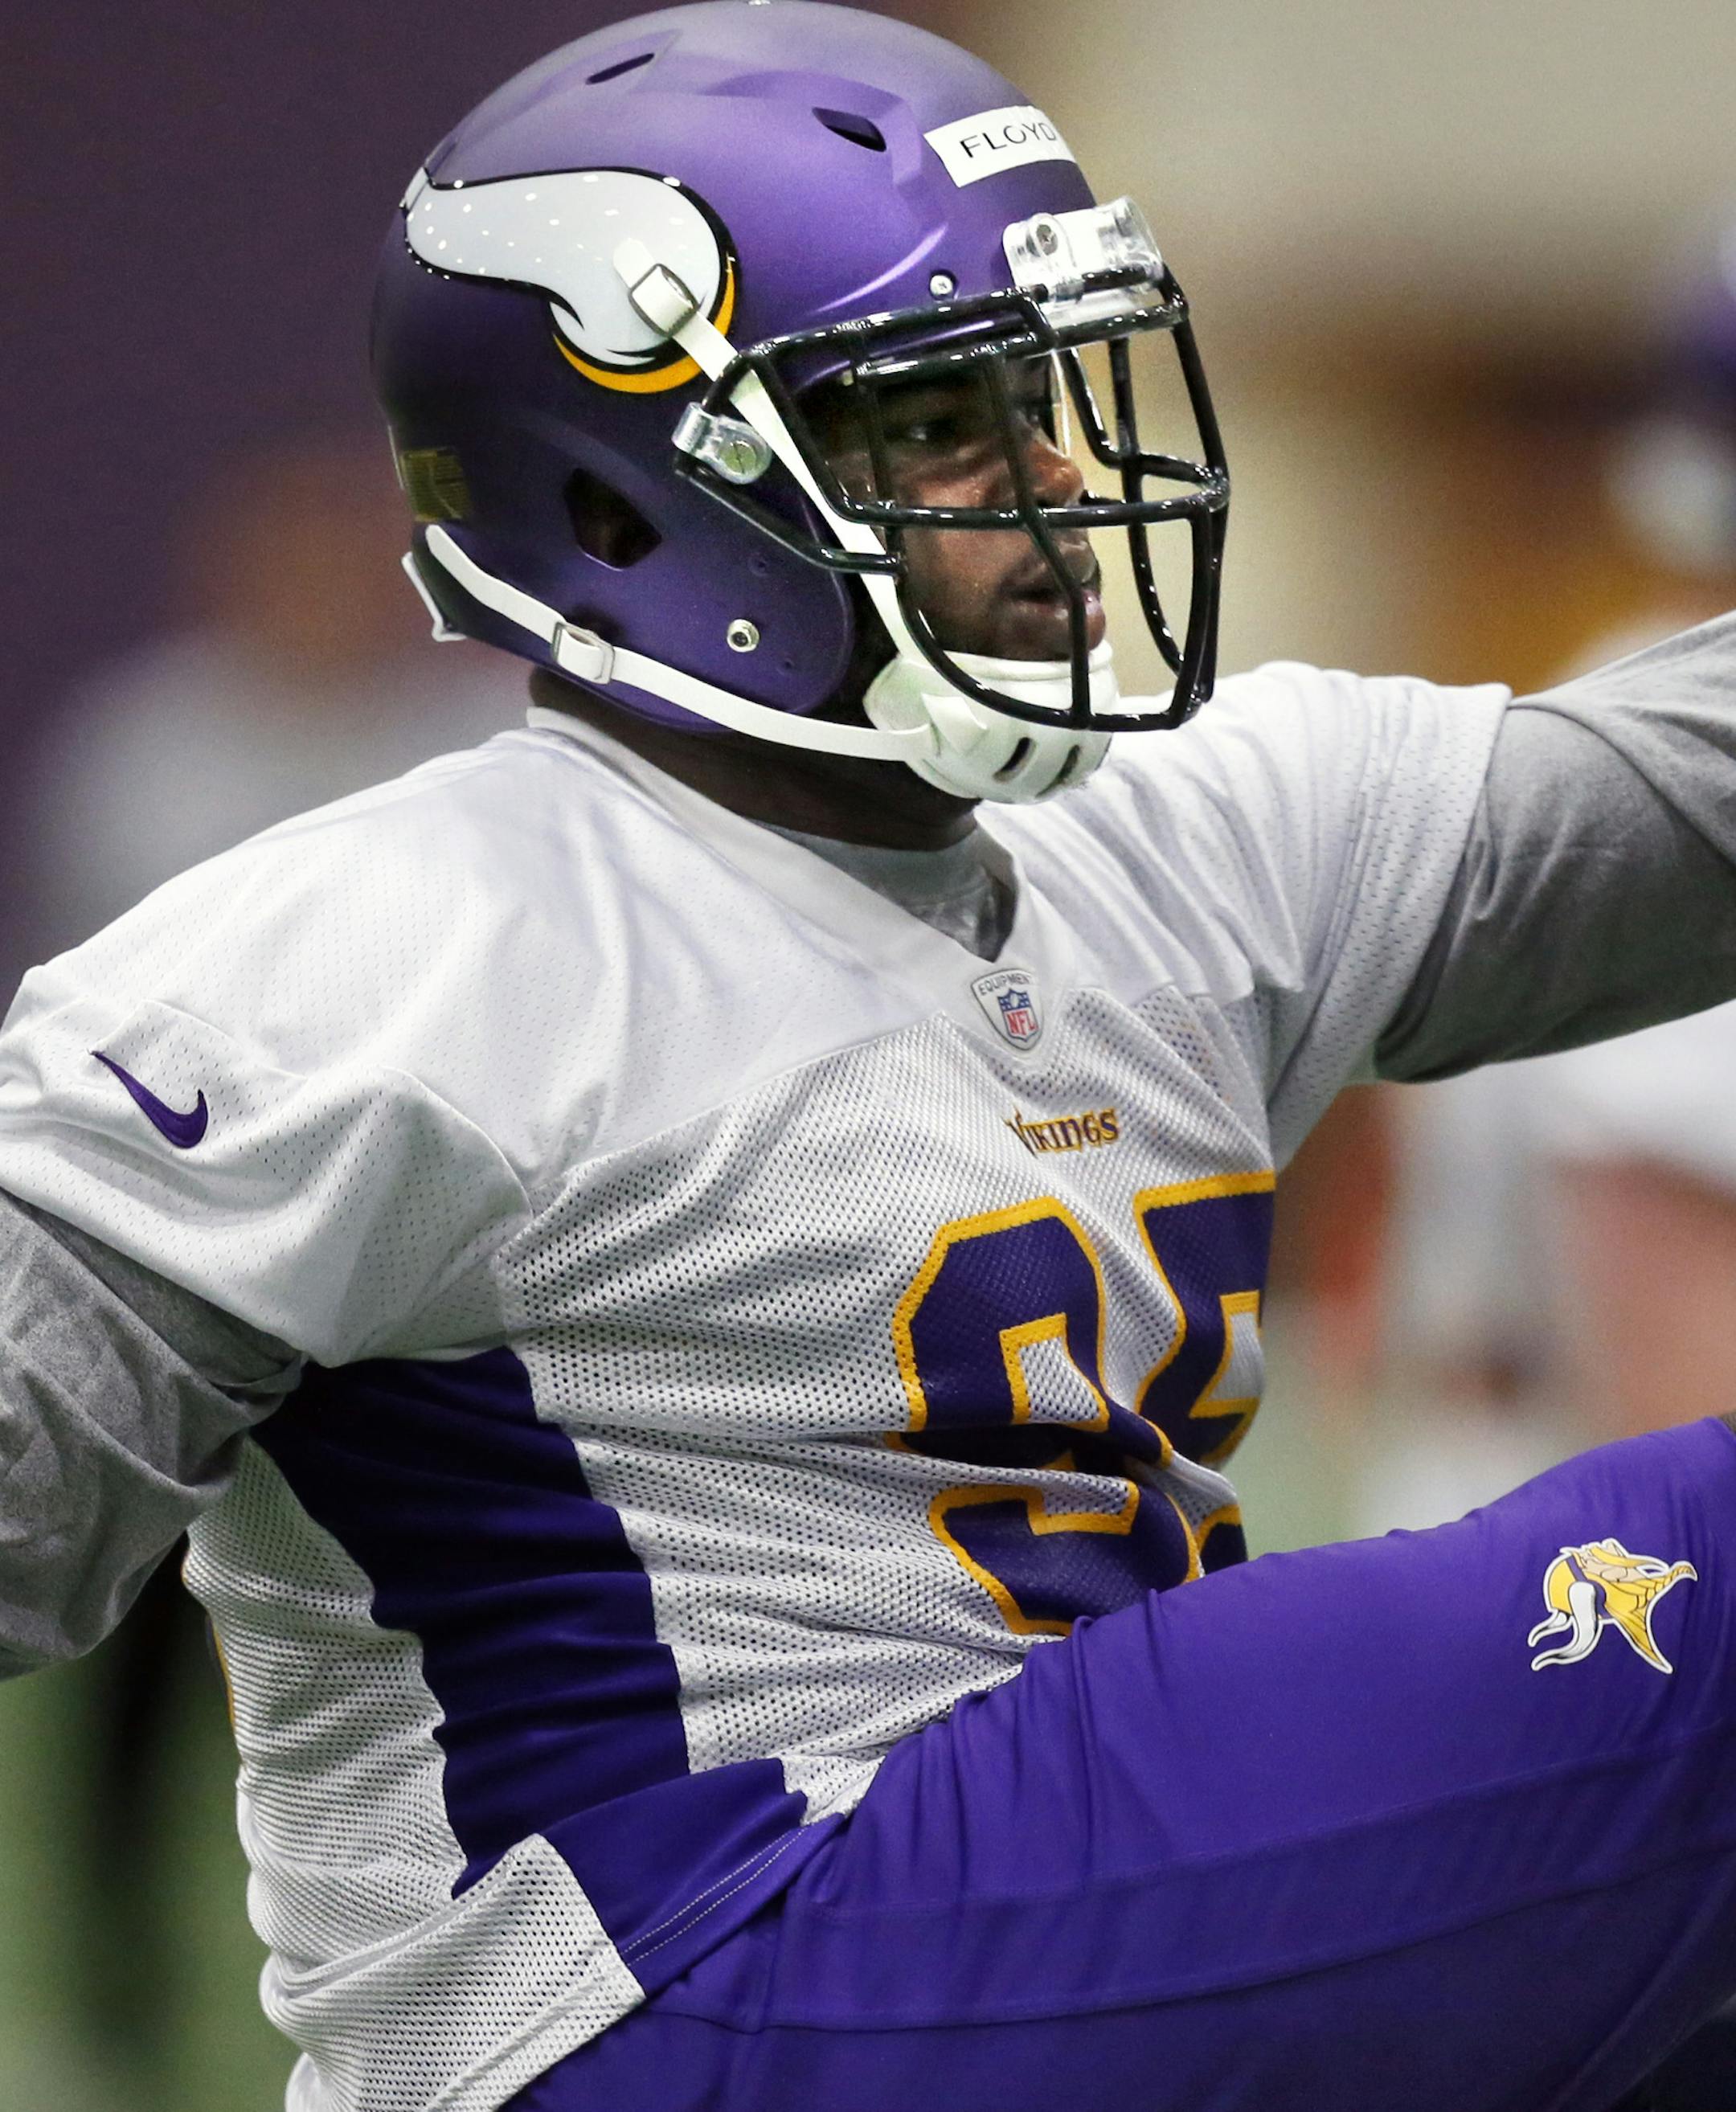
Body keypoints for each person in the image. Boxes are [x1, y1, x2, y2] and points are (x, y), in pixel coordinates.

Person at [2, 8, 1735, 2110]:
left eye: (1057, 395)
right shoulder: (386, 959)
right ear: (634, 502)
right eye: (949, 424)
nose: (1070, 484)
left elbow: (1687, 793)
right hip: (702, 1968)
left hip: (1061, 1932)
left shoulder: (1191, 828)